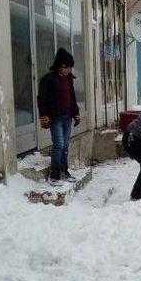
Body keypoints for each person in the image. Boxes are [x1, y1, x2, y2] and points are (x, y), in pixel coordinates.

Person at [37, 48, 81, 186]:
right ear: (62, 65)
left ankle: (64, 170)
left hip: (67, 117)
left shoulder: (68, 79)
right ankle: (55, 174)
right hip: (55, 117)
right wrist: (43, 115)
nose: (70, 70)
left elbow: (72, 98)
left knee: (65, 144)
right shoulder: (48, 79)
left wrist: (76, 113)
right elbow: (41, 98)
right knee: (59, 144)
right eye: (68, 67)